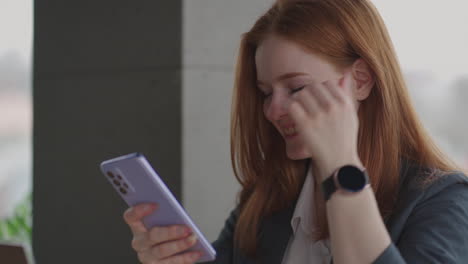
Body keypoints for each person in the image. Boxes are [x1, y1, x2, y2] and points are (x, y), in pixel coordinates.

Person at [122, 0, 468, 263]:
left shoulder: (443, 200)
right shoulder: (269, 196)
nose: (272, 111)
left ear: (360, 81)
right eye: (266, 92)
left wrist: (341, 166)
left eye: (296, 88)